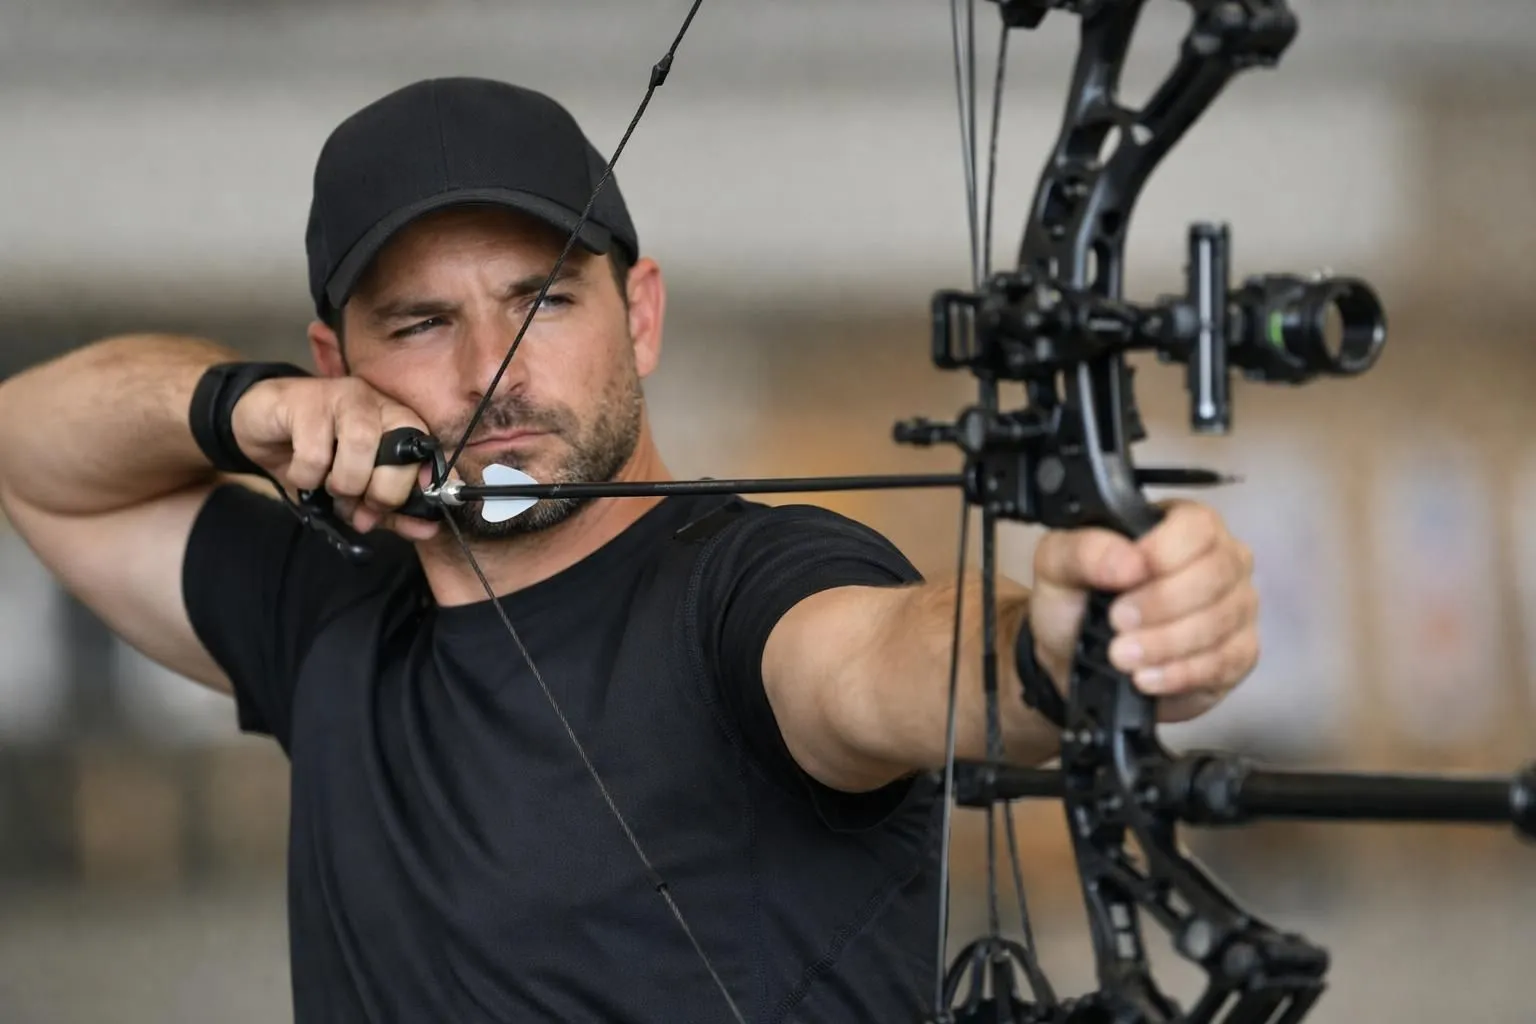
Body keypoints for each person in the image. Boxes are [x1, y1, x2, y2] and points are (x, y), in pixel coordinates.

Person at [0, 78, 1259, 1022]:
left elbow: (889, 659)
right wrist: (246, 409)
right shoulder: (330, 611)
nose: (492, 375)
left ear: (638, 314)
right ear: (342, 365)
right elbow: (30, 454)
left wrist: (1069, 645)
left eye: (541, 301)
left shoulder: (746, 590)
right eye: (423, 321)